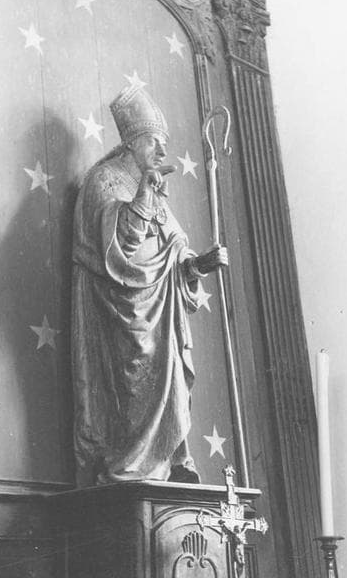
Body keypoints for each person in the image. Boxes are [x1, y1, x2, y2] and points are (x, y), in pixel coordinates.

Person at [72, 85, 228, 485]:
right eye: (153, 141)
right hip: (123, 313)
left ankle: (168, 462)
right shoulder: (104, 180)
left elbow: (174, 251)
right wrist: (143, 195)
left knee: (170, 381)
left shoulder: (155, 187)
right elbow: (119, 248)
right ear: (130, 142)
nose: (161, 150)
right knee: (132, 384)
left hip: (163, 314)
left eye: (164, 143)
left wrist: (198, 265)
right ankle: (131, 467)